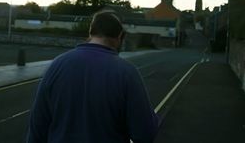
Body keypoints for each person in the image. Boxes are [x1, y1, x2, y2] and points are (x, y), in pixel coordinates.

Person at [27, 11, 159, 143]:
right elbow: (145, 133)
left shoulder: (56, 65)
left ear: (90, 32)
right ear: (119, 36)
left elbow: (38, 124)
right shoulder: (127, 72)